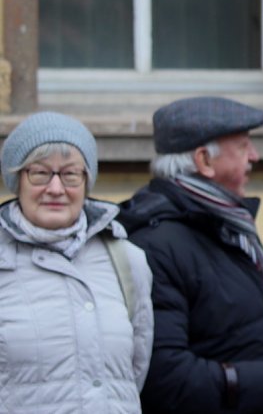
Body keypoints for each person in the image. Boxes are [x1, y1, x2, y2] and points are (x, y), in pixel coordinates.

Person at [118, 96, 263, 413]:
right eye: (243, 146)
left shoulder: (227, 225)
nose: (254, 157)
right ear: (204, 160)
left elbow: (252, 321)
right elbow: (165, 375)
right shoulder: (156, 244)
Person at [0, 111, 153, 413]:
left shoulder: (125, 259)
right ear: (17, 180)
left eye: (70, 174)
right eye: (40, 173)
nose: (56, 189)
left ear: (86, 181)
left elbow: (135, 369)